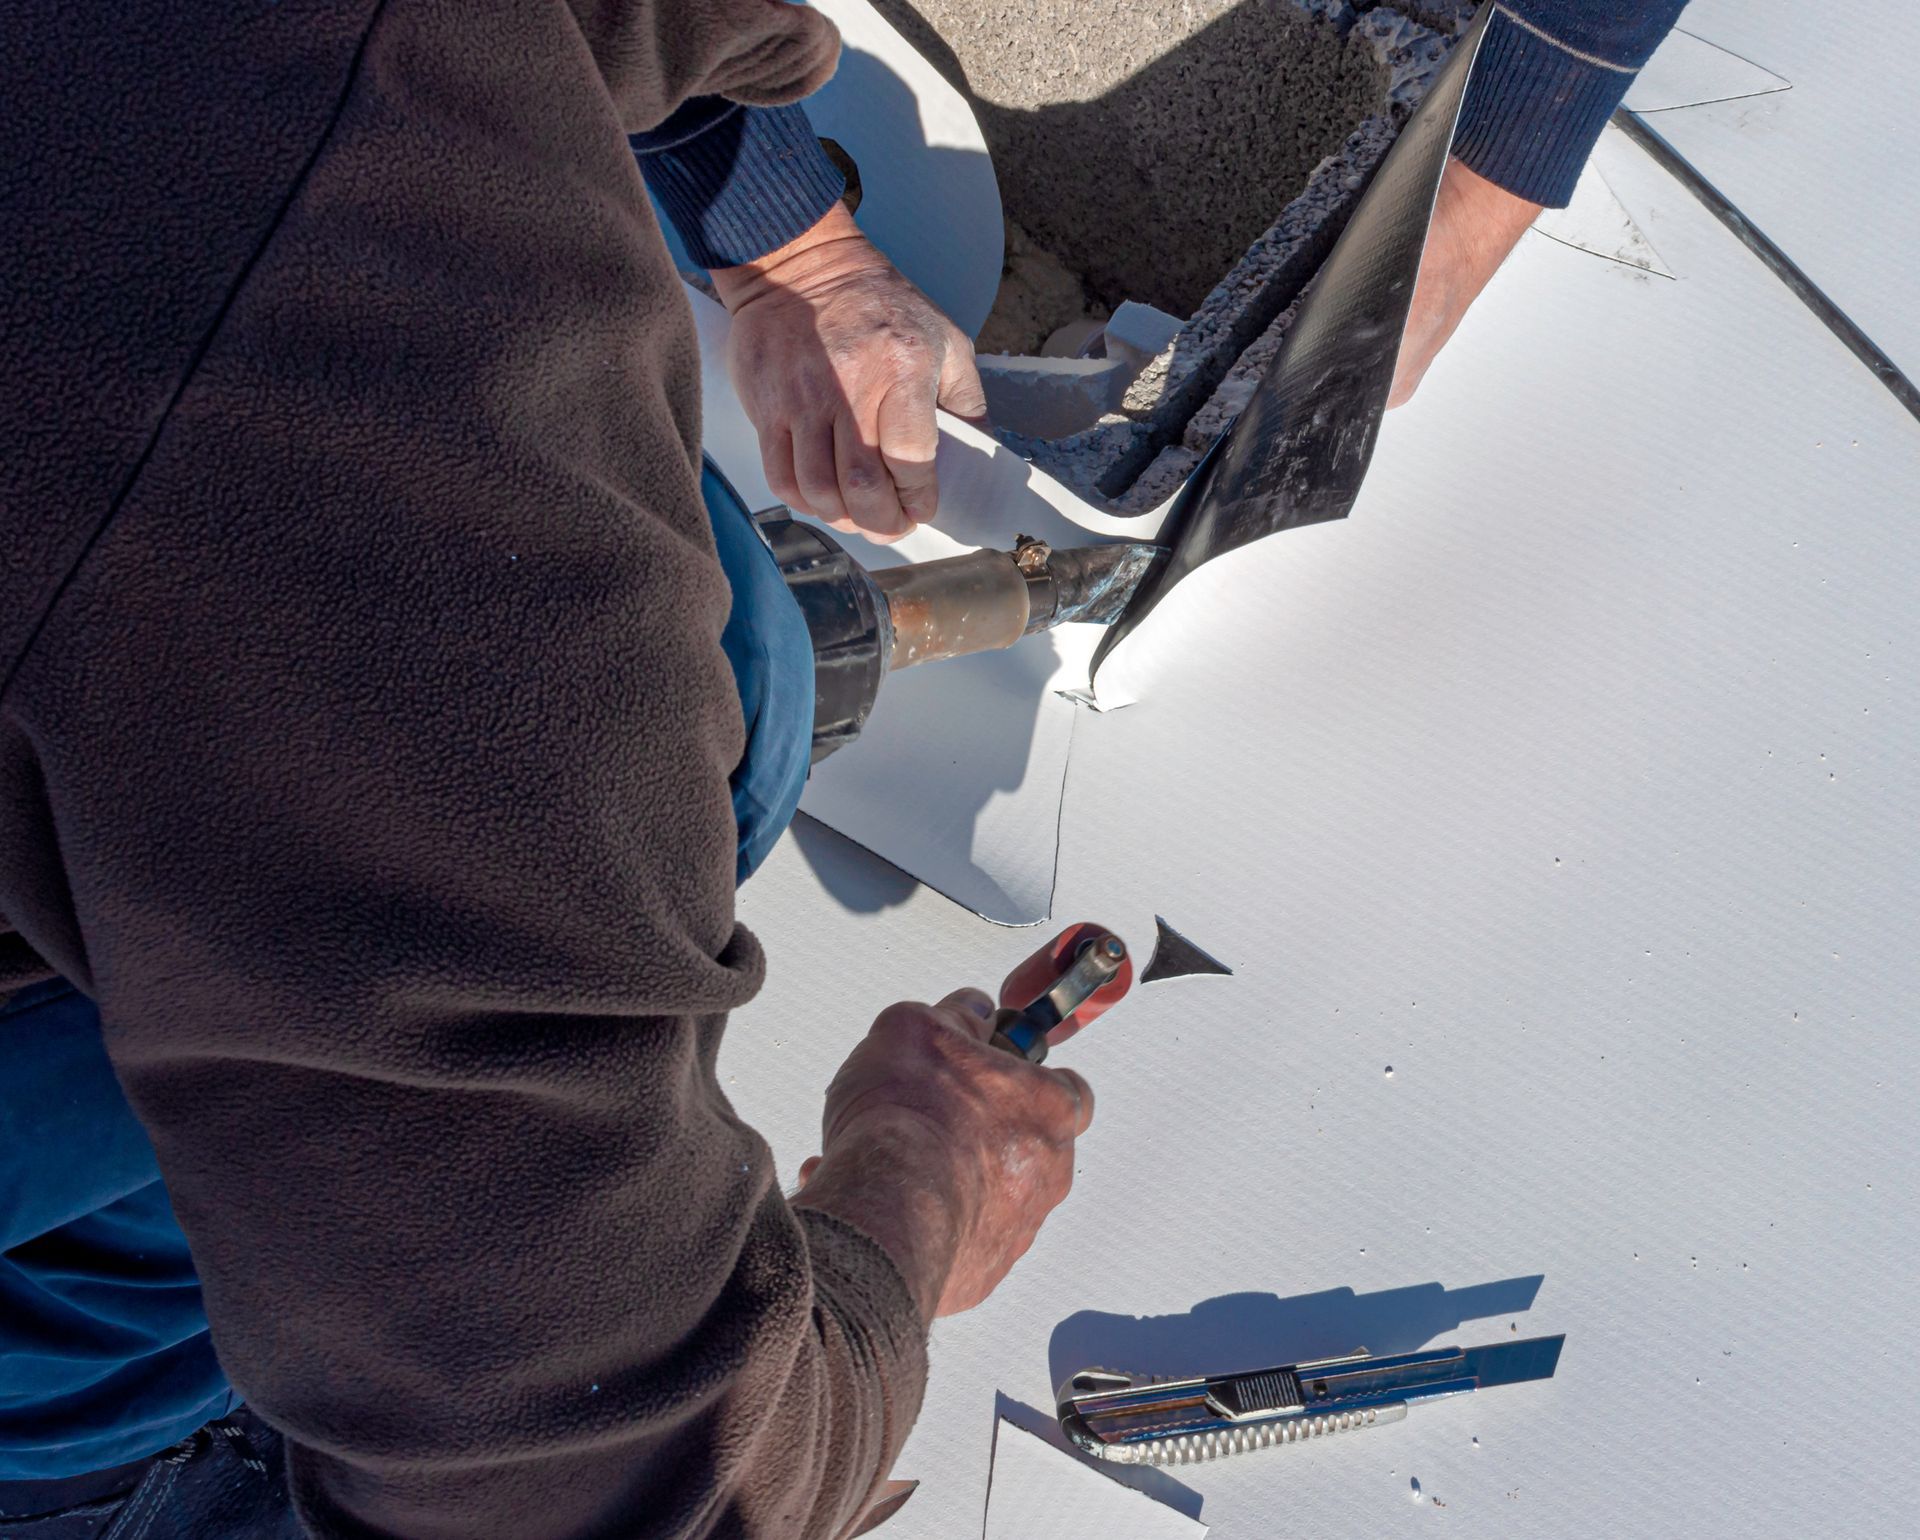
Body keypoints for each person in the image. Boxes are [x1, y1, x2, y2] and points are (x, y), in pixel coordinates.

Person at [0, 3, 1684, 1537]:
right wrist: (905, 1212)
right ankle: (116, 1446)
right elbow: (604, 1470)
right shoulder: (381, 567)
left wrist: (790, 245)